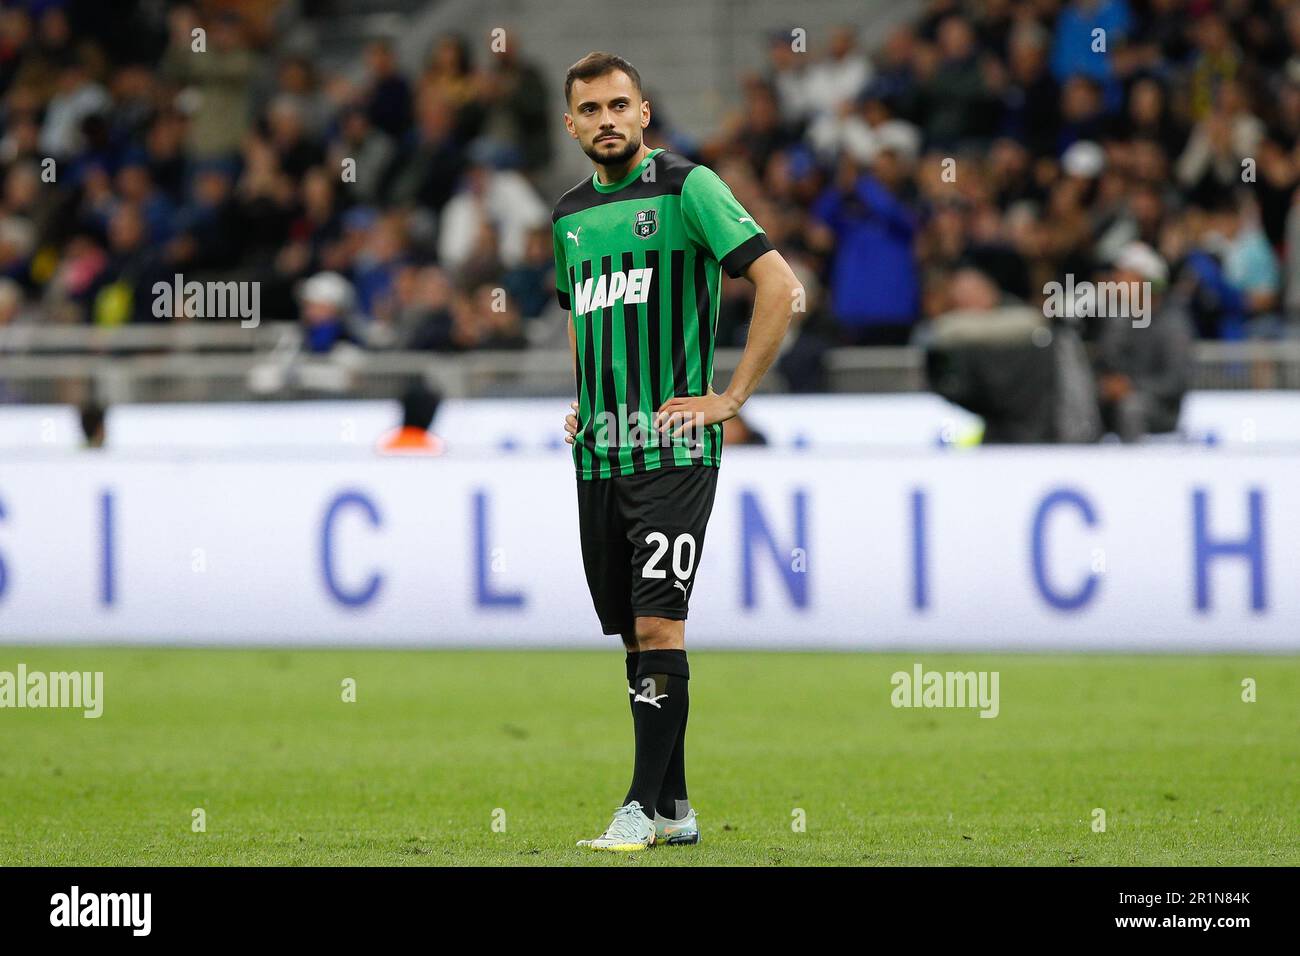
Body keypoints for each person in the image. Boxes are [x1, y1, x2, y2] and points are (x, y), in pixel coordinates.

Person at [554, 52, 801, 851]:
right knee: (635, 636)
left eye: (619, 105)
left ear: (644, 112)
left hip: (673, 449)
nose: (607, 120)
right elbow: (583, 316)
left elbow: (779, 285)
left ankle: (636, 807)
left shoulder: (688, 187)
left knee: (662, 628)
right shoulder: (567, 217)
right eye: (592, 110)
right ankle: (674, 808)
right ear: (571, 123)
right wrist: (587, 400)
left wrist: (730, 399)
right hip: (601, 454)